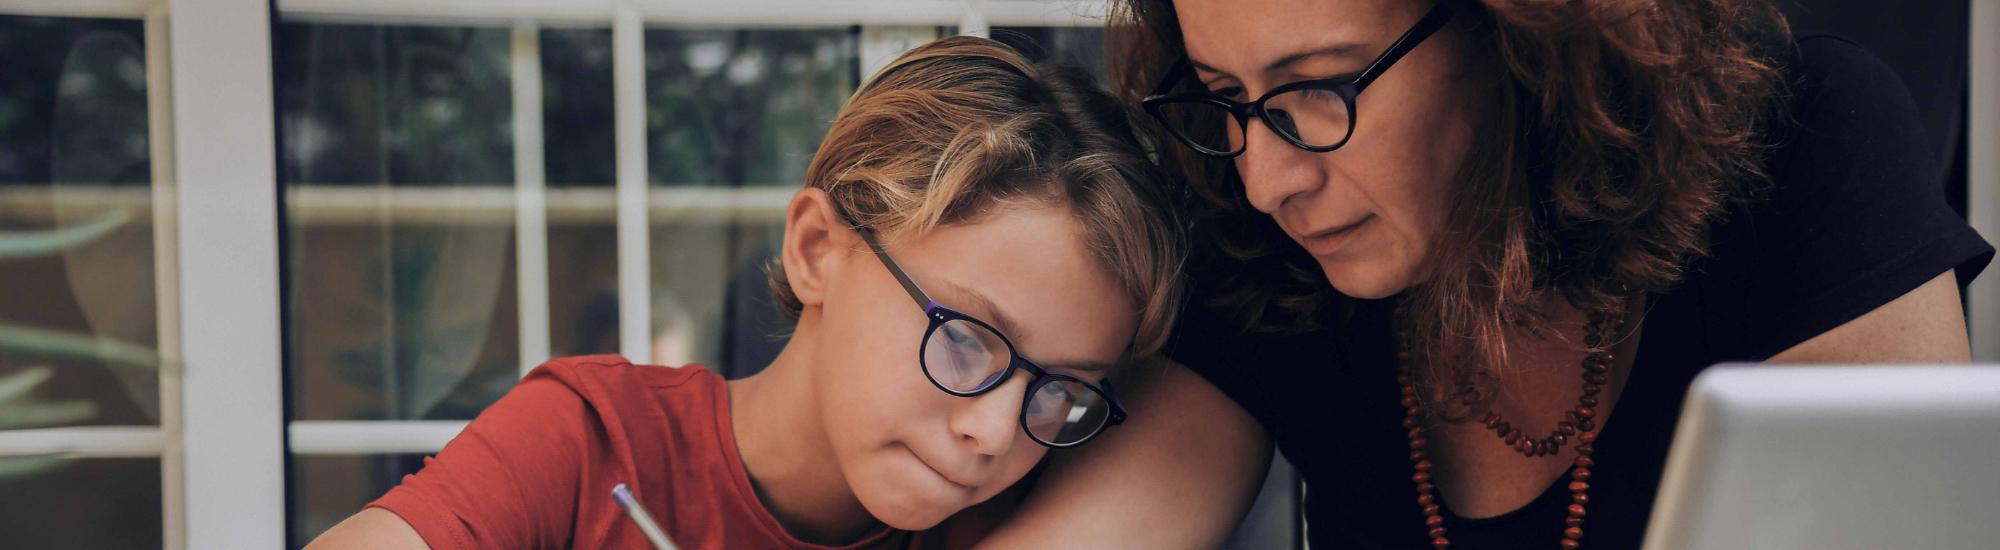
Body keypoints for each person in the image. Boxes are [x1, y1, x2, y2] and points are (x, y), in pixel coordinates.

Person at [978, 0, 1994, 548]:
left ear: (1519, 33)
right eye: (1223, 98)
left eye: (1316, 88)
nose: (1264, 178)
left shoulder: (1804, 142)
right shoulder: (1267, 268)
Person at [305, 36, 1187, 549]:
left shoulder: (1027, 522)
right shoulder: (593, 444)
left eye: (1061, 392)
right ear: (815, 249)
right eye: (966, 338)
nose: (995, 433)